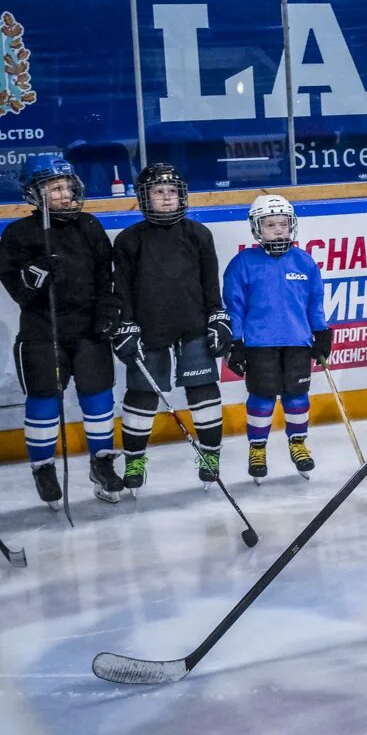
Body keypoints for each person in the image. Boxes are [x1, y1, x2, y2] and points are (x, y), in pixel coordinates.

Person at [0, 156, 123, 507]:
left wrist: (107, 311)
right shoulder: (18, 234)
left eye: (67, 185)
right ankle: (43, 468)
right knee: (43, 403)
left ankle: (101, 465)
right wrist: (35, 273)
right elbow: (19, 291)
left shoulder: (89, 226)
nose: (65, 193)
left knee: (98, 400)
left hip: (88, 331)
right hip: (43, 333)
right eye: (55, 188)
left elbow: (106, 277)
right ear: (34, 194)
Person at [111, 163, 231, 494]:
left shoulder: (198, 235)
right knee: (141, 396)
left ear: (182, 196)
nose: (167, 198)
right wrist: (126, 325)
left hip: (193, 327)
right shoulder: (128, 240)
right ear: (144, 197)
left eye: (172, 192)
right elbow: (122, 289)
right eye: (158, 192)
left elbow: (210, 284)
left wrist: (217, 317)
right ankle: (134, 460)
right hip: (148, 332)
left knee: (204, 390)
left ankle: (210, 456)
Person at [222, 195, 330, 482]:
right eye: (270, 225)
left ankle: (298, 443)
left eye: (283, 224)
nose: (279, 230)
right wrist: (235, 342)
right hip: (260, 346)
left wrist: (320, 332)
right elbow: (234, 307)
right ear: (257, 229)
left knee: (297, 397)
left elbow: (314, 303)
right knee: (262, 397)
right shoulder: (242, 264)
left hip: (297, 342)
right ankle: (257, 448)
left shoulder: (305, 262)